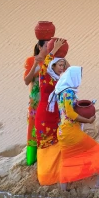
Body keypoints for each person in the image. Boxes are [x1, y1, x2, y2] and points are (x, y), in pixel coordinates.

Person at [51, 66, 99, 190]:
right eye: (79, 76)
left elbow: (69, 110)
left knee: (67, 159)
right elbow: (71, 114)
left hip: (62, 131)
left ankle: (63, 190)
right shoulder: (68, 92)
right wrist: (88, 120)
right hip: (70, 131)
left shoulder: (61, 91)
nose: (80, 79)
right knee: (97, 150)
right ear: (73, 77)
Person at [35, 39, 68, 185]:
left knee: (57, 144)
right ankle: (45, 177)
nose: (62, 68)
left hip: (55, 115)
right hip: (44, 115)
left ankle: (55, 176)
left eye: (62, 65)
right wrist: (54, 49)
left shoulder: (58, 80)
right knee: (45, 144)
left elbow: (71, 70)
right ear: (52, 65)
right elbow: (46, 62)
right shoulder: (44, 74)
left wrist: (62, 55)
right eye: (59, 65)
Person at [23, 39, 47, 166]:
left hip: (49, 102)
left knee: (47, 128)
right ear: (39, 46)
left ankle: (44, 157)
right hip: (35, 102)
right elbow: (27, 81)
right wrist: (35, 65)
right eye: (47, 46)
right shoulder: (30, 60)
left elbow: (67, 71)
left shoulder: (53, 61)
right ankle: (31, 160)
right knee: (33, 129)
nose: (49, 48)